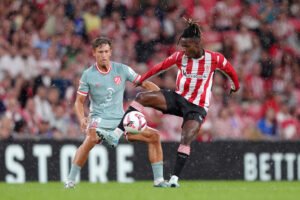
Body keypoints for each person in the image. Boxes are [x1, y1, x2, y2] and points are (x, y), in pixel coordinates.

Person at [116, 19, 240, 187]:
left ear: (197, 44)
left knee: (186, 137)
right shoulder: (179, 57)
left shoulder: (215, 59)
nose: (184, 50)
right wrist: (142, 79)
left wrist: (235, 85)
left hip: (197, 106)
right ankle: (116, 133)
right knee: (142, 97)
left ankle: (174, 179)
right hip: (178, 98)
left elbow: (230, 71)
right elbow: (159, 67)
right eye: (182, 46)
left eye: (187, 46)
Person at [65, 37, 169, 188]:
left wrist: (163, 95)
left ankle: (159, 181)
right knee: (91, 139)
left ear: (111, 52)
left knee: (154, 136)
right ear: (94, 53)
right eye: (100, 52)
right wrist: (82, 119)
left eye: (106, 51)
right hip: (98, 118)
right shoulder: (88, 75)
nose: (103, 55)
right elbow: (79, 101)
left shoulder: (122, 69)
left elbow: (144, 82)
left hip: (121, 121)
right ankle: (70, 180)